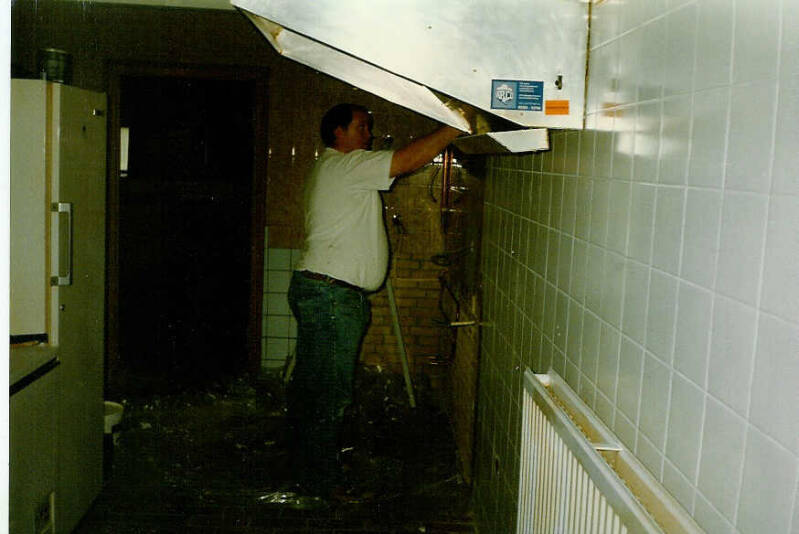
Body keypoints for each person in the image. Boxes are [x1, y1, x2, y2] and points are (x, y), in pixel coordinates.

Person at [287, 103, 462, 497]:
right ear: (337, 132)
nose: (369, 136)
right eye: (361, 127)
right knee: (329, 392)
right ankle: (319, 483)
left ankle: (306, 467)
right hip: (331, 296)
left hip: (322, 290)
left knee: (314, 387)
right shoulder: (348, 165)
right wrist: (455, 127)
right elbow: (405, 161)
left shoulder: (331, 167)